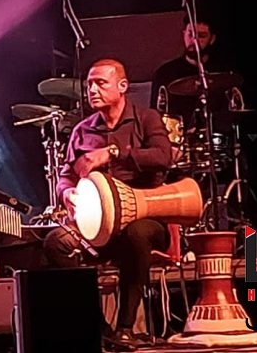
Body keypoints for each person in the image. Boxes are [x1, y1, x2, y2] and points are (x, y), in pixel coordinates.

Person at [43, 59, 172, 351]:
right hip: (98, 227)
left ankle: (125, 328)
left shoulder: (146, 118)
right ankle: (98, 328)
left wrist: (113, 152)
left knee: (136, 234)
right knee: (56, 242)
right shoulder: (82, 131)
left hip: (145, 217)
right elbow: (65, 176)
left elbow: (163, 156)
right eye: (89, 84)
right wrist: (66, 193)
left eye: (100, 83)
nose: (92, 89)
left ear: (122, 86)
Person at [150, 16, 244, 128]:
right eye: (190, 34)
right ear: (183, 34)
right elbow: (154, 116)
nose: (194, 41)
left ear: (212, 39)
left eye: (201, 36)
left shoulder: (225, 73)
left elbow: (235, 113)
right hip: (179, 136)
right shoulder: (165, 73)